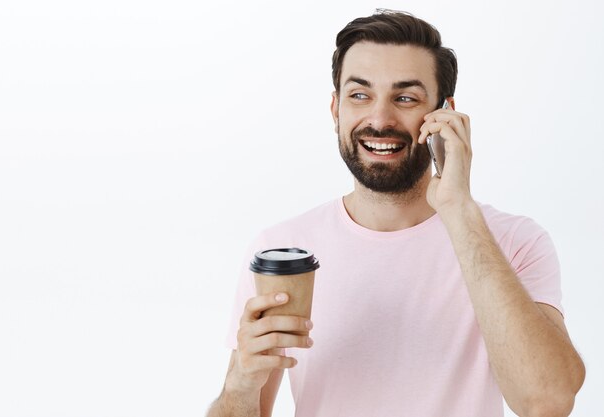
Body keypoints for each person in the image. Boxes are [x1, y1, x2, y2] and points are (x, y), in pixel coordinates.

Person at [206, 9, 585, 417]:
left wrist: (459, 211)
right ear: (335, 109)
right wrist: (241, 382)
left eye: (405, 98)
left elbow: (548, 401)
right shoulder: (283, 252)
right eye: (359, 95)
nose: (380, 119)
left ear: (445, 114)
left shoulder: (514, 241)